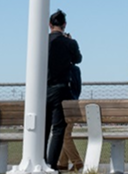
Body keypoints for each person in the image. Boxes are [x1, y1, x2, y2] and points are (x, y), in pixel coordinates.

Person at [44, 10, 82, 169]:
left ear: (50, 24)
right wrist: (71, 41)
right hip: (61, 89)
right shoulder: (69, 43)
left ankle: (42, 161)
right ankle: (52, 165)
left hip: (43, 90)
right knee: (59, 129)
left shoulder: (42, 41)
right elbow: (78, 59)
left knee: (44, 128)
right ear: (64, 25)